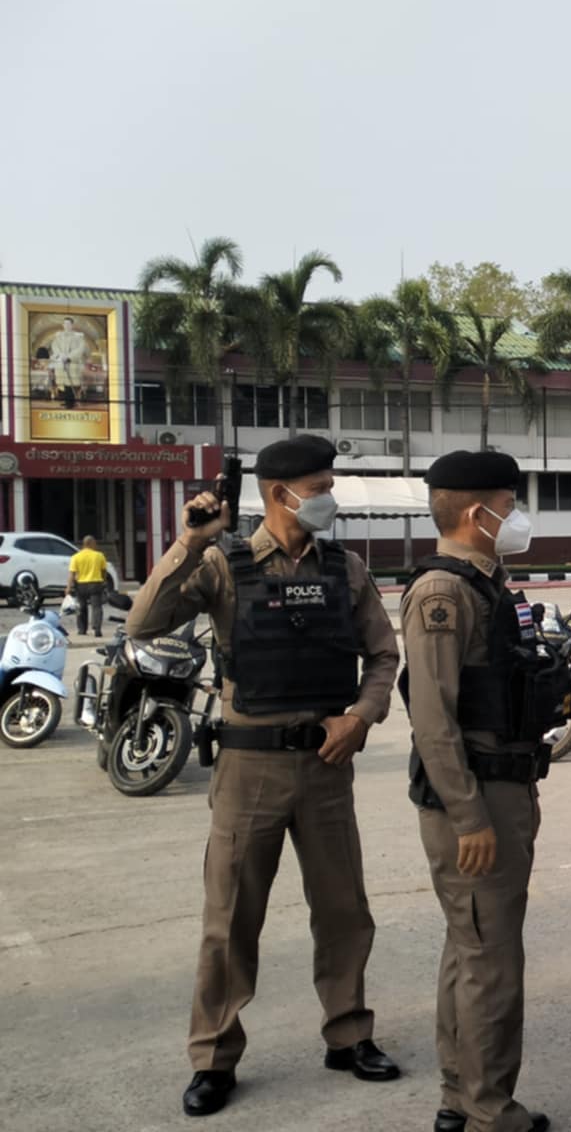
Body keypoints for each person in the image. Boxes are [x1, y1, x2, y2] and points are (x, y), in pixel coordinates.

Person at [128, 435, 402, 1118]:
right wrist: (191, 541)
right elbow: (144, 622)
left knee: (344, 913)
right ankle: (214, 1058)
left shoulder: (346, 568)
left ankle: (349, 1035)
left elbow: (382, 655)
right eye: (320, 487)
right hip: (249, 767)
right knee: (230, 921)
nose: (330, 498)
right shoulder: (224, 564)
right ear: (281, 494)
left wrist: (361, 717)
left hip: (327, 766)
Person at [403, 451, 569, 1132]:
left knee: (471, 949)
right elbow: (432, 718)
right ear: (479, 513)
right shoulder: (443, 594)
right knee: (491, 961)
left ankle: (459, 1097)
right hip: (474, 796)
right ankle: (489, 1111)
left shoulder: (485, 584)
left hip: (501, 786)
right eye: (510, 505)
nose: (517, 517)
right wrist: (470, 816)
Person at [66, 534, 110, 638]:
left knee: (81, 607)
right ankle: (97, 628)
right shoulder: (99, 555)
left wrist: (68, 587)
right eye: (95, 543)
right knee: (96, 607)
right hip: (95, 584)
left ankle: (82, 629)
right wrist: (104, 581)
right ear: (91, 543)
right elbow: (104, 571)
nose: (96, 545)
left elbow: (72, 574)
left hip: (81, 585)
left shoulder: (76, 557)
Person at [50, 316, 89, 407]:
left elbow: (81, 348)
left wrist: (69, 357)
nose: (66, 325)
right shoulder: (58, 336)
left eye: (68, 323)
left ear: (72, 325)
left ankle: (71, 403)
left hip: (72, 363)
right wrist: (61, 355)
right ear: (63, 325)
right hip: (61, 362)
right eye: (65, 323)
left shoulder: (78, 336)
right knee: (63, 382)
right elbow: (54, 346)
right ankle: (66, 400)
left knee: (70, 382)